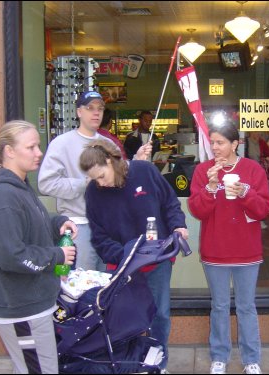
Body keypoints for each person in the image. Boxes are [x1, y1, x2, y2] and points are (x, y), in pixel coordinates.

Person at [80, 139, 188, 374]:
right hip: (121, 266)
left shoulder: (145, 171)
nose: (100, 183)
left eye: (101, 176)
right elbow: (99, 238)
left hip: (156, 261)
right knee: (124, 319)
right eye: (94, 179)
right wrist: (127, 256)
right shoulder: (93, 192)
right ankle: (129, 366)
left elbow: (170, 204)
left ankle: (158, 364)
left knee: (159, 315)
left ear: (111, 161)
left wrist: (178, 226)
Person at [0, 120, 77, 374]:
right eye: (31, 147)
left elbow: (33, 225)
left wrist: (58, 224)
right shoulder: (4, 197)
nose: (39, 152)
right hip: (22, 308)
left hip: (32, 304)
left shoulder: (20, 186)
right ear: (9, 151)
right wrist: (57, 255)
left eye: (38, 146)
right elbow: (10, 256)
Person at [188, 123, 269, 375]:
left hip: (247, 249)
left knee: (247, 306)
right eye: (212, 142)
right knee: (220, 306)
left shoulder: (252, 169)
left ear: (235, 144)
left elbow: (263, 209)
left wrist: (245, 192)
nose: (215, 148)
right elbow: (197, 210)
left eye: (221, 142)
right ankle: (219, 357)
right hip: (215, 249)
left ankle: (251, 359)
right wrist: (211, 187)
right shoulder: (204, 171)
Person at [38, 91, 109, 272]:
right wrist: (83, 183)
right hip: (79, 226)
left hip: (108, 226)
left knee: (107, 287)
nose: (96, 113)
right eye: (90, 108)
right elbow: (46, 183)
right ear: (79, 112)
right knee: (81, 286)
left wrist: (136, 161)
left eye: (100, 109)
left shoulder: (109, 144)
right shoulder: (61, 144)